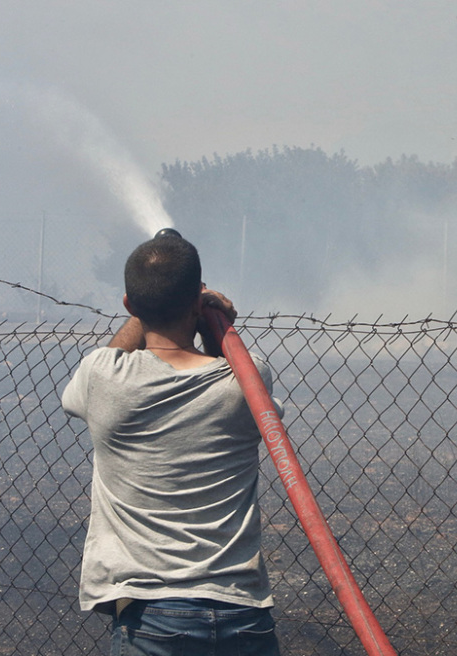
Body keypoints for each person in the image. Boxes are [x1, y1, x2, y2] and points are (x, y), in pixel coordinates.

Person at [61, 230, 281, 655]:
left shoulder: (102, 377)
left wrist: (144, 313)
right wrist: (216, 324)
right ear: (197, 303)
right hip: (243, 614)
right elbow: (236, 372)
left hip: (152, 619)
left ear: (129, 306)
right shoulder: (246, 385)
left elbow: (111, 355)